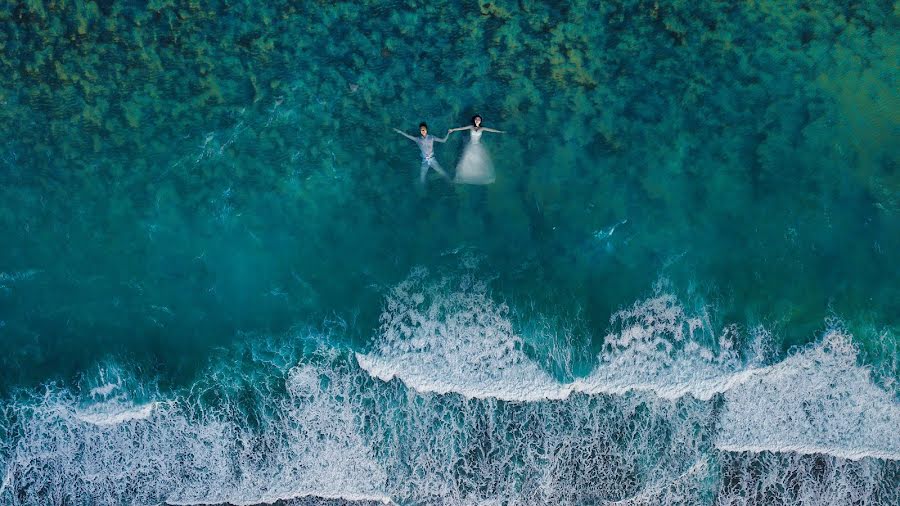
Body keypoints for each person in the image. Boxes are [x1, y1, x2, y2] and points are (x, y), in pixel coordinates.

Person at [448, 115, 504, 185]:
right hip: (470, 145)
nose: (477, 120)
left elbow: (491, 130)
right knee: (466, 161)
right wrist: (452, 130)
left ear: (480, 121)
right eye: (476, 119)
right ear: (474, 120)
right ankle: (464, 176)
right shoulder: (471, 127)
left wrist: (500, 131)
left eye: (479, 119)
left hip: (478, 145)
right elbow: (461, 128)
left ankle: (477, 175)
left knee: (478, 162)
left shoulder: (482, 128)